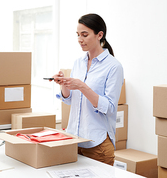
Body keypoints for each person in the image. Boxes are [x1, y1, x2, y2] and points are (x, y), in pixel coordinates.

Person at [52, 13, 124, 166]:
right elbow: (70, 99)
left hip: (97, 144)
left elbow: (110, 107)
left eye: (84, 35)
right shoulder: (78, 62)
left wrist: (82, 86)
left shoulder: (113, 66)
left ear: (99, 35)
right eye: (78, 35)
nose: (80, 39)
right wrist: (63, 83)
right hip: (74, 141)